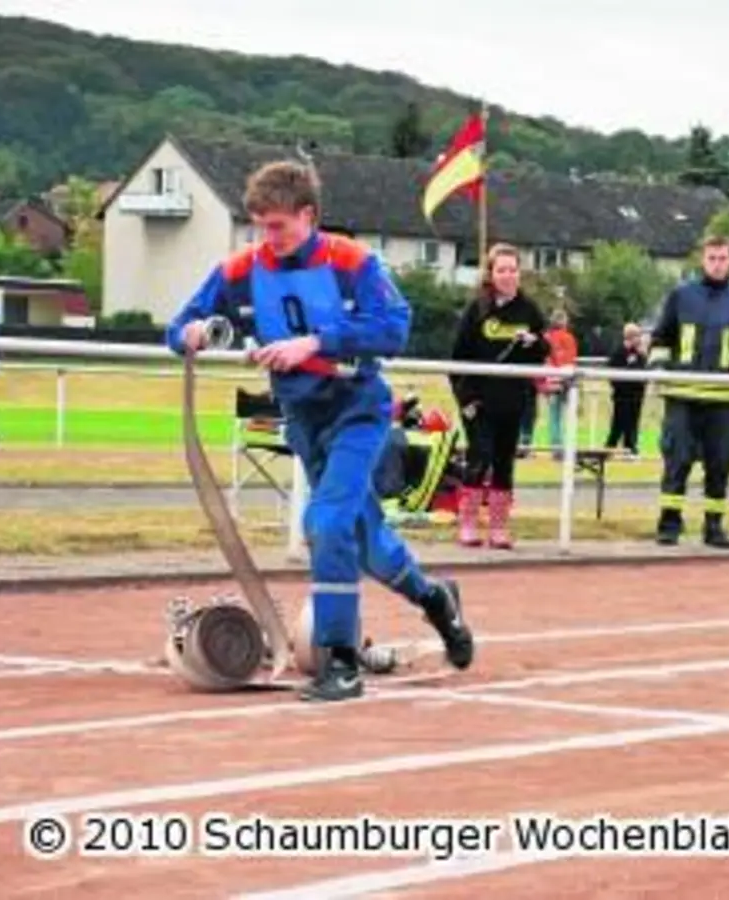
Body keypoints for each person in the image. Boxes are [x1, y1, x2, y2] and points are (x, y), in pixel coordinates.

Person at [165, 160, 474, 703]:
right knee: (366, 544)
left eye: (279, 225)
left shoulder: (352, 261)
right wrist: (190, 332)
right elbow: (178, 326)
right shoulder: (239, 270)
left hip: (358, 411)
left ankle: (339, 661)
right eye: (260, 225)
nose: (269, 237)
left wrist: (316, 342)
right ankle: (436, 601)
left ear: (308, 216)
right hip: (304, 419)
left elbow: (394, 327)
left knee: (326, 523)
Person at [647, 234, 729, 548]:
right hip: (682, 395)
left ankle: (714, 526)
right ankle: (669, 523)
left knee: (720, 464)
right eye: (712, 258)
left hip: (723, 399)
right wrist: (657, 368)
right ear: (703, 260)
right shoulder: (681, 296)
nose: (718, 264)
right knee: (677, 460)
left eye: (723, 258)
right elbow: (660, 338)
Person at [448, 243, 551, 549]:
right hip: (479, 400)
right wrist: (465, 398)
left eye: (513, 270)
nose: (507, 275)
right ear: (490, 274)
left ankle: (499, 527)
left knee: (505, 461)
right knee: (479, 457)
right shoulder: (476, 309)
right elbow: (457, 359)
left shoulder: (529, 310)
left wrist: (533, 343)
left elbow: (542, 353)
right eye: (501, 270)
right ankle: (467, 524)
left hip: (514, 400)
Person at [540, 308, 579, 460]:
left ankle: (556, 447)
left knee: (554, 416)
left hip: (551, 382)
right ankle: (568, 446)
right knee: (569, 415)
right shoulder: (569, 338)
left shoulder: (546, 338)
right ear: (563, 321)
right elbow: (570, 361)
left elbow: (545, 362)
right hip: (566, 381)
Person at [604, 322, 648, 457]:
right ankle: (610, 448)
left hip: (636, 394)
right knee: (619, 423)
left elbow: (643, 370)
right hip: (622, 395)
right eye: (637, 336)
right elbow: (611, 371)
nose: (640, 339)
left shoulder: (639, 353)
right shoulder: (618, 352)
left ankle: (630, 447)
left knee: (633, 422)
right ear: (629, 337)